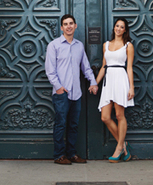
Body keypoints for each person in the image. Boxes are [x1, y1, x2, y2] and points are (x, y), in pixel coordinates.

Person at [45, 14, 98, 165]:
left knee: (73, 125)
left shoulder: (79, 46)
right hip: (62, 93)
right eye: (65, 24)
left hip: (77, 93)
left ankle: (72, 154)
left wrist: (93, 82)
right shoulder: (54, 45)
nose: (68, 26)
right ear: (61, 27)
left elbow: (86, 67)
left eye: (71, 23)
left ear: (75, 26)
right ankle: (59, 156)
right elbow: (50, 70)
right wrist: (59, 88)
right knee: (61, 124)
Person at [95, 17, 135, 162]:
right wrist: (95, 83)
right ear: (114, 28)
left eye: (121, 27)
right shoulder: (106, 44)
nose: (118, 29)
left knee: (119, 115)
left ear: (125, 30)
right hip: (108, 80)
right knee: (105, 117)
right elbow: (104, 67)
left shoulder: (128, 45)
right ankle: (123, 144)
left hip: (120, 78)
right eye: (117, 26)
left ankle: (118, 149)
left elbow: (129, 68)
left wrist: (131, 87)